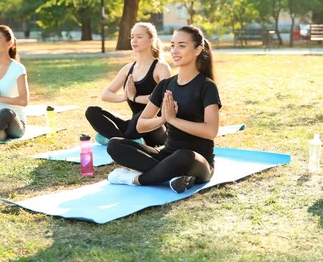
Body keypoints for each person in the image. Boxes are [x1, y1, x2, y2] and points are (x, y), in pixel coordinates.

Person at [106, 25, 221, 194]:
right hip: (166, 154)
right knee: (115, 144)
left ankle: (135, 179)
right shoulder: (165, 85)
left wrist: (174, 120)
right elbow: (141, 125)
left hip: (197, 160)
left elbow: (211, 131)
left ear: (198, 50)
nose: (174, 50)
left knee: (184, 156)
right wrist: (163, 119)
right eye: (173, 45)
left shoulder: (206, 87)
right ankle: (172, 175)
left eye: (182, 45)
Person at [85, 22, 171, 147]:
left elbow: (164, 100)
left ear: (150, 40)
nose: (134, 40)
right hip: (133, 125)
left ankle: (114, 138)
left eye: (139, 37)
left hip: (154, 126)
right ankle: (125, 141)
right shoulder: (128, 68)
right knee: (92, 111)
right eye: (132, 37)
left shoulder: (161, 68)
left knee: (143, 115)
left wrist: (134, 97)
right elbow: (106, 95)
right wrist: (125, 97)